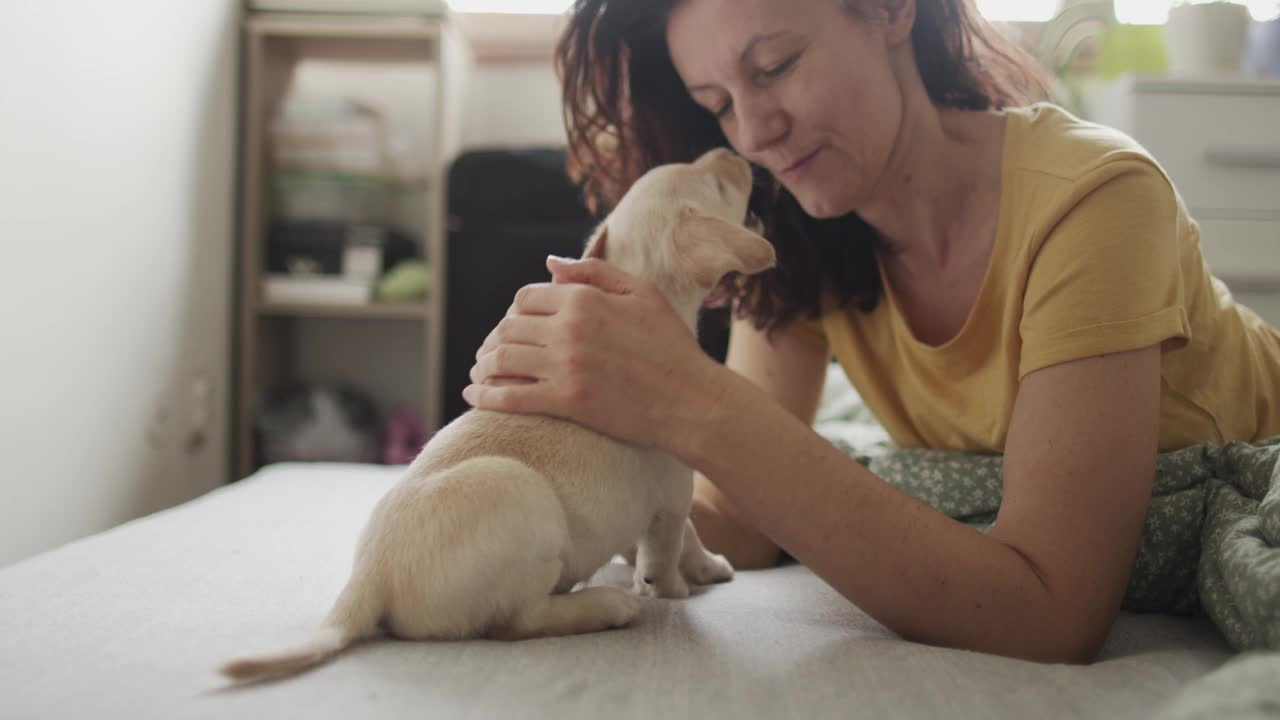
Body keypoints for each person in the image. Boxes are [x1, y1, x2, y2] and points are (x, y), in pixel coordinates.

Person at [462, 0, 1280, 663]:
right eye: (718, 106)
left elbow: (1053, 612)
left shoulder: (1094, 201)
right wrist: (550, 484)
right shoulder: (813, 241)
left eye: (775, 66)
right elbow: (739, 516)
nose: (751, 134)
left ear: (891, 10)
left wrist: (684, 394)